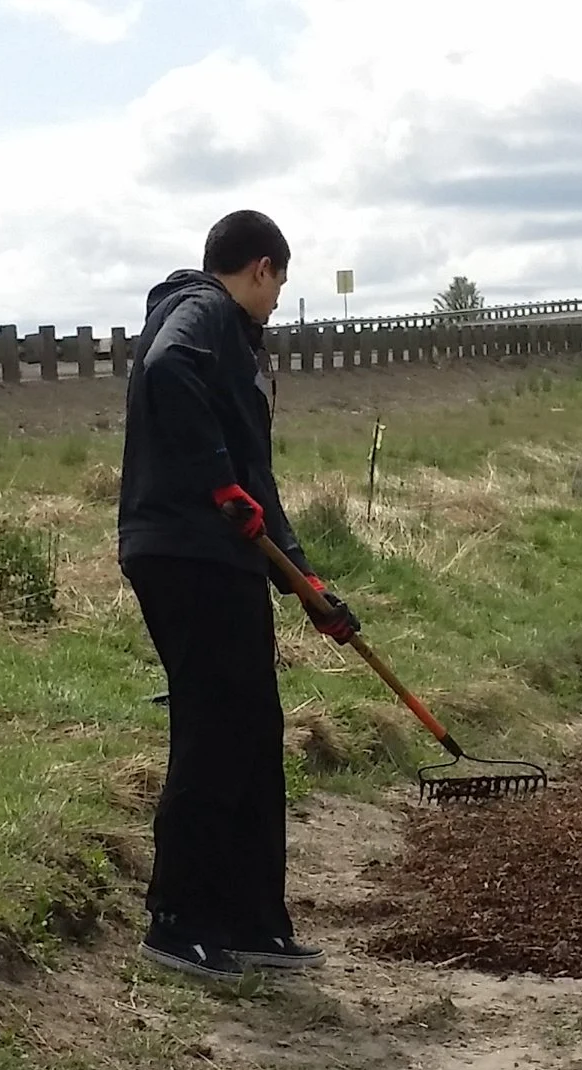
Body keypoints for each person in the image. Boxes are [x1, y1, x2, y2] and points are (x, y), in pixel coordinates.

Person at [117, 210, 360, 981]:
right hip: (184, 554)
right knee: (215, 729)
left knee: (255, 733)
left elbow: (256, 485)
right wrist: (217, 478)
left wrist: (305, 582)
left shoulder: (236, 341)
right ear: (260, 268)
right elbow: (167, 373)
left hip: (226, 559)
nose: (279, 300)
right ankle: (177, 918)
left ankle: (254, 919)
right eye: (280, 282)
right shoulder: (201, 311)